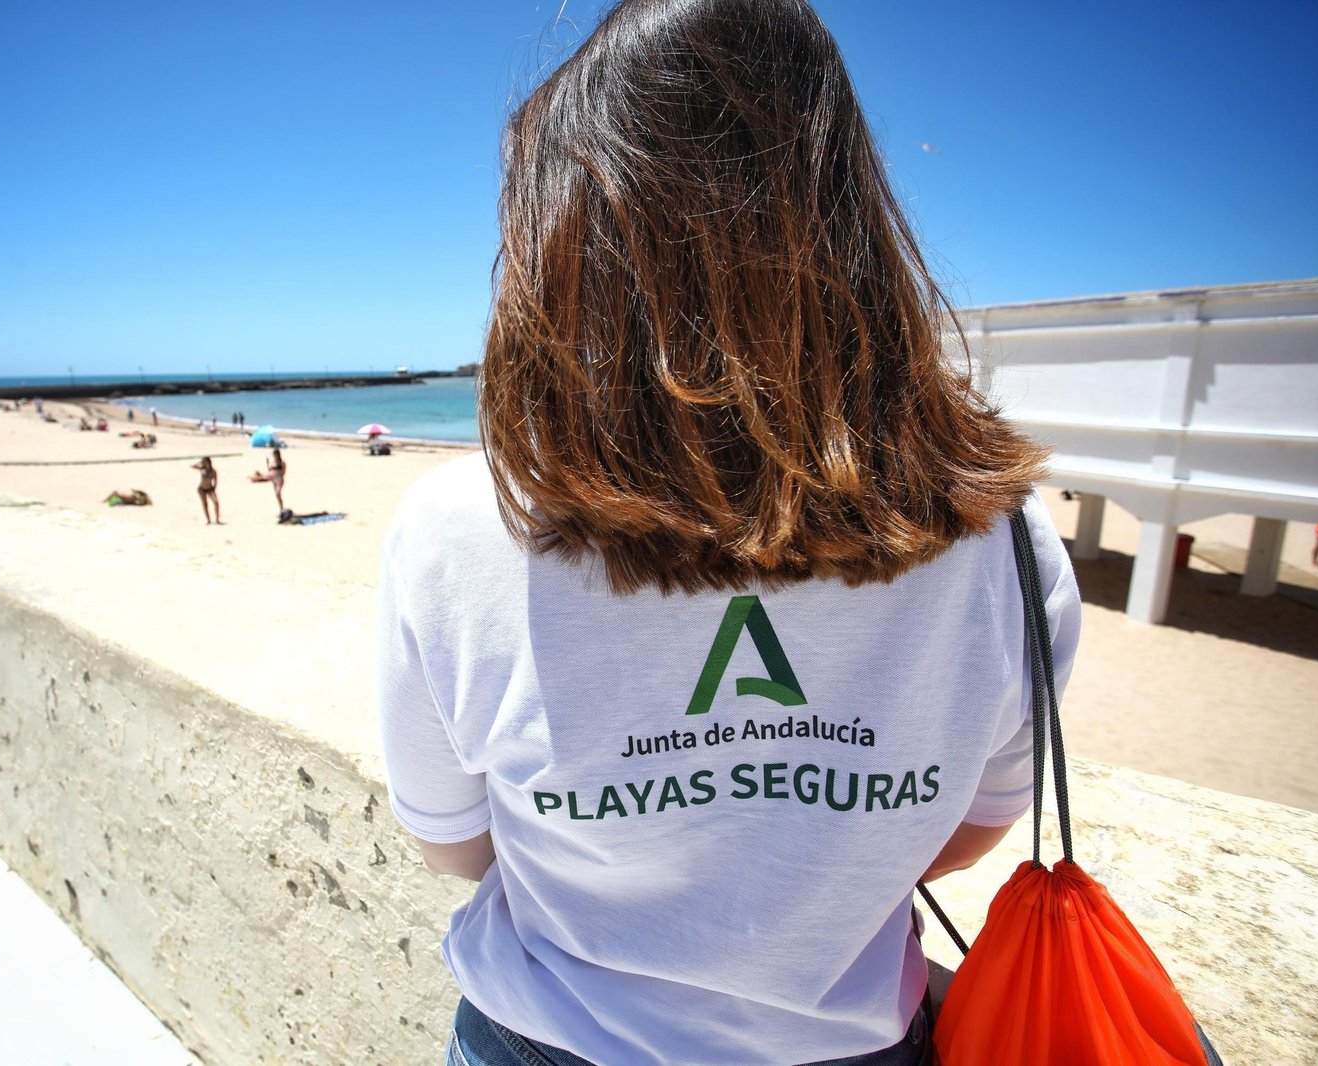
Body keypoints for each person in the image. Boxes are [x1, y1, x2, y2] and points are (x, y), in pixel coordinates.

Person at [375, 5, 1080, 1066]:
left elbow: (452, 843)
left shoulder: (465, 524)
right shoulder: (1003, 535)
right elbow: (965, 833)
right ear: (846, 211)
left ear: (565, 240)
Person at [192, 457, 221, 525]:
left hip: (210, 489)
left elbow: (215, 481)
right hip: (202, 489)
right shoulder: (202, 469)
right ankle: (208, 520)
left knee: (216, 503)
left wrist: (214, 488)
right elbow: (192, 466)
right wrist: (199, 463)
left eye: (205, 462)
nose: (204, 463)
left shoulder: (213, 471)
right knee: (205, 504)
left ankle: (217, 519)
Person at [267, 442, 286, 513]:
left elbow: (283, 471)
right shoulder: (273, 462)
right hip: (273, 479)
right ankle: (281, 509)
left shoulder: (282, 462)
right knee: (278, 496)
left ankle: (282, 508)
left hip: (279, 479)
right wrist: (267, 464)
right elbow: (269, 470)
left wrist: (280, 476)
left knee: (277, 493)